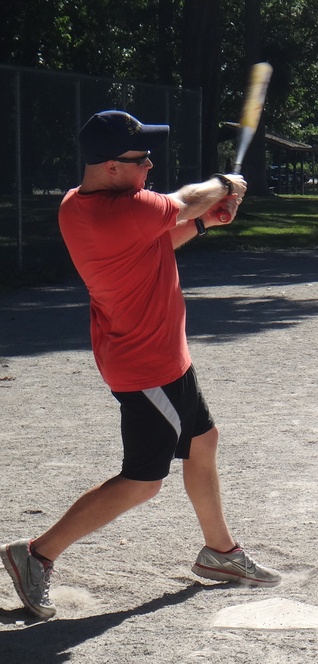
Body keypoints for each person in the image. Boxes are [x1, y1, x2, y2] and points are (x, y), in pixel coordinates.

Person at [2, 110, 280, 621]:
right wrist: (223, 185)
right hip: (147, 364)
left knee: (202, 442)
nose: (150, 164)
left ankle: (221, 553)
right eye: (140, 158)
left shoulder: (78, 206)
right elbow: (181, 201)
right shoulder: (126, 208)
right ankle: (35, 554)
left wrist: (200, 222)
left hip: (163, 354)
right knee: (143, 480)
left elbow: (154, 240)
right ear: (109, 167)